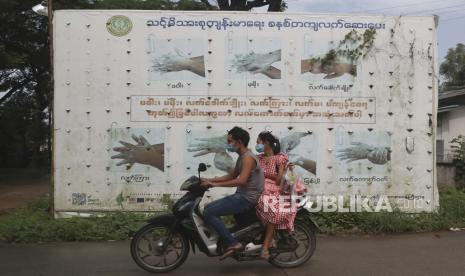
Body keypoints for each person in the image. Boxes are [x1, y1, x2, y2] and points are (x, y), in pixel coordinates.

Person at [201, 126, 264, 259]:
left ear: (239, 142)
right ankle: (227, 238)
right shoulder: (242, 157)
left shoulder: (248, 158)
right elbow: (231, 176)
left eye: (230, 141)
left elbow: (241, 181)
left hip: (246, 198)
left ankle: (232, 243)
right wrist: (210, 180)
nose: (228, 144)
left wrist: (214, 184)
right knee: (208, 208)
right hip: (242, 196)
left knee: (209, 212)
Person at [255, 131, 296, 260]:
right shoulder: (258, 158)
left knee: (272, 209)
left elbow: (278, 179)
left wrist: (265, 174)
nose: (257, 145)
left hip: (273, 189)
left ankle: (266, 246)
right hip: (260, 188)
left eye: (258, 142)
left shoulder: (279, 158)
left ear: (266, 142)